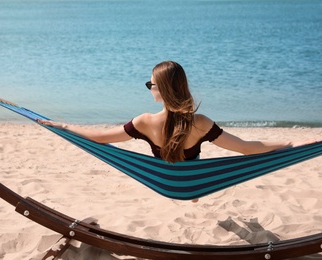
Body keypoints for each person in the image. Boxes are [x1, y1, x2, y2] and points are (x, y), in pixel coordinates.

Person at [37, 61, 311, 201]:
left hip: (164, 184)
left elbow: (100, 138)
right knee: (200, 167)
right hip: (195, 185)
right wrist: (288, 145)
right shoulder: (200, 122)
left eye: (151, 83)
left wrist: (64, 126)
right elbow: (245, 148)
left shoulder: (144, 121)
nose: (149, 87)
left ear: (163, 89)